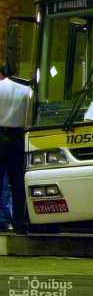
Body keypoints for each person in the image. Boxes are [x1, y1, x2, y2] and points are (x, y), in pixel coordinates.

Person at [0, 64, 31, 234]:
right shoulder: (24, 90)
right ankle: (19, 223)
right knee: (17, 182)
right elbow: (28, 118)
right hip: (17, 137)